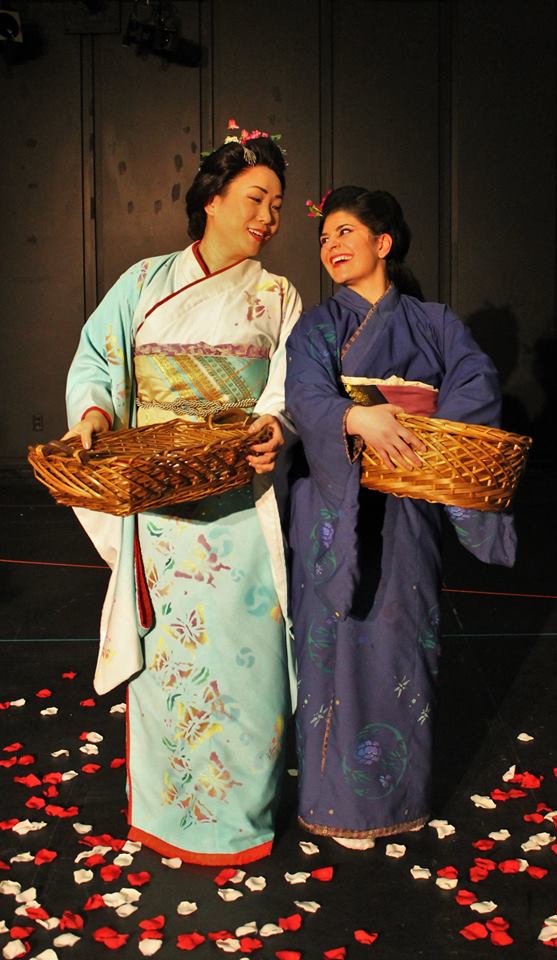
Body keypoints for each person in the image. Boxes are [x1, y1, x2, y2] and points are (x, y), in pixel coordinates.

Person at [63, 132, 302, 865]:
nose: (268, 217)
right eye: (256, 199)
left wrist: (276, 425)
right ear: (212, 199)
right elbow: (99, 359)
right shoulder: (143, 281)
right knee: (174, 669)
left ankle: (244, 818)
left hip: (239, 504)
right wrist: (97, 414)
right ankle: (174, 815)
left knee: (250, 665)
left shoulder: (278, 296)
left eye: (278, 206)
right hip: (163, 508)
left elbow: (290, 386)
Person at [285, 186, 516, 848]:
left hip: (406, 502)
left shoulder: (434, 321)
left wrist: (424, 428)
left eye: (347, 232)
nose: (331, 245)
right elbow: (303, 393)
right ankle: (333, 803)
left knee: (400, 642)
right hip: (333, 505)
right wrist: (355, 416)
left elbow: (477, 384)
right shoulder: (316, 327)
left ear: (383, 244)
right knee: (330, 646)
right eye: (325, 236)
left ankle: (397, 798)